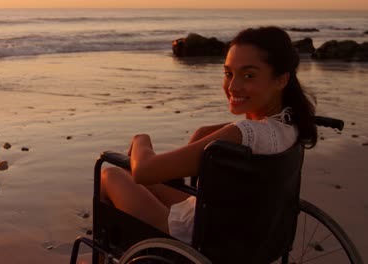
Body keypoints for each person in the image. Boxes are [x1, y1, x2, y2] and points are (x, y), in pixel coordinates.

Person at [100, 26, 317, 244]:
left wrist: (141, 139)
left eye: (248, 75)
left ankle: (109, 252)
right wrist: (203, 134)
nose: (233, 86)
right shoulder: (291, 126)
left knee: (110, 174)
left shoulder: (243, 133)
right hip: (244, 231)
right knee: (140, 178)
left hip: (195, 237)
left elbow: (144, 171)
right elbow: (238, 131)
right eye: (228, 73)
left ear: (281, 80)